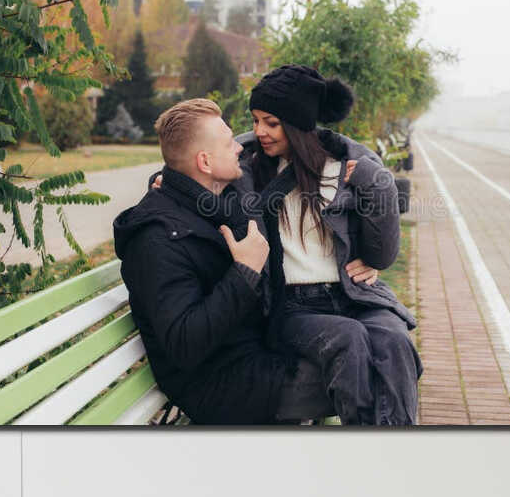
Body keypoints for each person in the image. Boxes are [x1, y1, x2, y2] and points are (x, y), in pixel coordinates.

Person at [110, 98, 334, 425]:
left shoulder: (213, 202)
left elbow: (267, 176)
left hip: (255, 356)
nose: (239, 148)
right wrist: (244, 272)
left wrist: (343, 172)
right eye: (229, 142)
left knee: (370, 352)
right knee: (365, 373)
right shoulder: (156, 239)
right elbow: (185, 343)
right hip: (219, 385)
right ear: (205, 161)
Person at [240, 64, 422, 426]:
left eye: (271, 122)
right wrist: (162, 178)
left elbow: (382, 255)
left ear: (297, 123)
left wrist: (377, 182)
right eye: (256, 120)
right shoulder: (249, 165)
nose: (259, 131)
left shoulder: (348, 166)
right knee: (349, 338)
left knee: (395, 342)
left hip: (353, 295)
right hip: (293, 307)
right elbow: (195, 162)